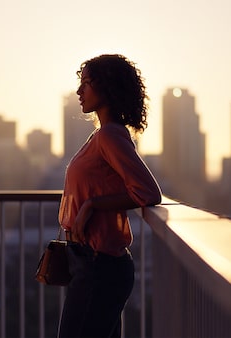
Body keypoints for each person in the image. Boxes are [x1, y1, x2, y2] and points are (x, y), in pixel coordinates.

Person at [57, 54, 162, 338]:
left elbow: (148, 193)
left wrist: (92, 205)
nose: (80, 91)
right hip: (92, 262)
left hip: (99, 266)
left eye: (87, 83)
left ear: (107, 87)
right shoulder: (103, 134)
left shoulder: (110, 136)